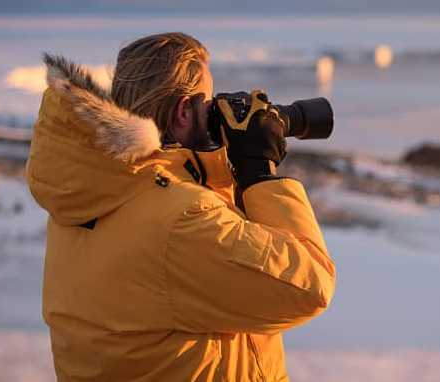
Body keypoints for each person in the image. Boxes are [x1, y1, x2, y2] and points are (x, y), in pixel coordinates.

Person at [26, 32, 336, 381]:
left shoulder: (95, 189)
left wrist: (214, 167)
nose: (215, 111)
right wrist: (258, 170)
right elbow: (309, 286)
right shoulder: (181, 221)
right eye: (208, 104)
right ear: (182, 112)